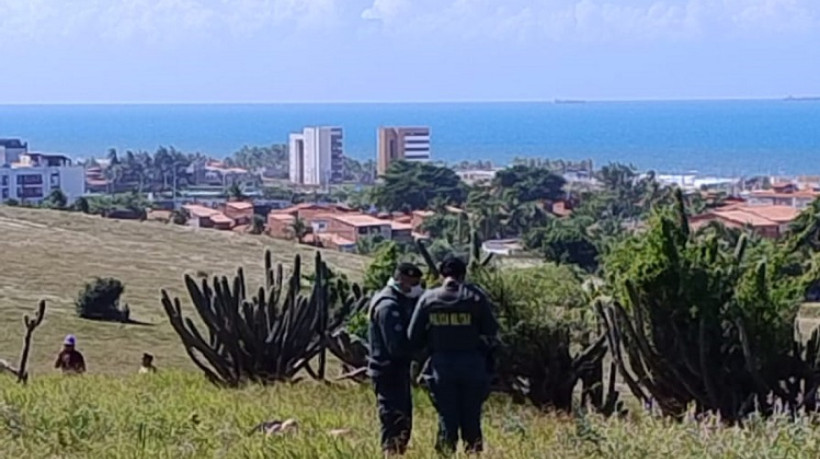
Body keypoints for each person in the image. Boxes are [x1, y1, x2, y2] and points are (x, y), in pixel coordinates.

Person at [407, 255, 499, 455]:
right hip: (473, 367)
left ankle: (445, 453)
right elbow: (491, 330)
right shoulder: (475, 297)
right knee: (471, 418)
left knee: (447, 419)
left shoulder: (428, 299)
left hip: (442, 368)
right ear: (463, 275)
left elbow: (413, 336)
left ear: (441, 275)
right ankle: (473, 453)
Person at [368, 262, 424, 456]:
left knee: (403, 422)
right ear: (401, 280)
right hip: (388, 371)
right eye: (413, 283)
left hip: (398, 371)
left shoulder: (400, 301)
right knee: (393, 420)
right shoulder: (388, 306)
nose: (416, 288)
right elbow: (396, 347)